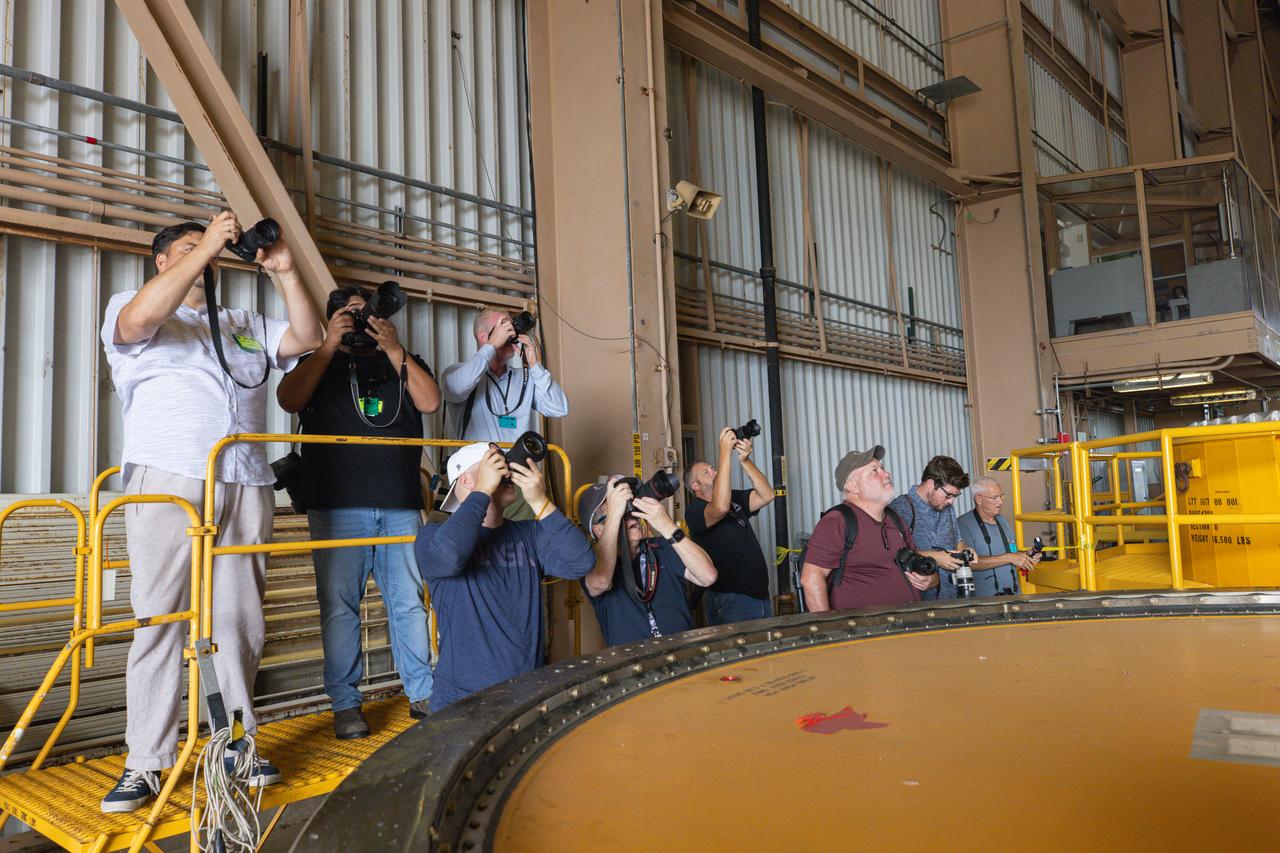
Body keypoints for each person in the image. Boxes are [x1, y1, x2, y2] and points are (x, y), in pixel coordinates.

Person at [98, 213, 323, 813]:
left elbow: (308, 338)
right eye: (190, 249)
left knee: (239, 620)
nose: (208, 256)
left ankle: (236, 744)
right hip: (168, 480)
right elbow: (139, 320)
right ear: (163, 262)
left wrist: (285, 273)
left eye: (213, 248)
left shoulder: (242, 323)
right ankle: (147, 760)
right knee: (160, 619)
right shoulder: (133, 304)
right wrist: (208, 247)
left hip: (245, 481)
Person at [276, 286, 442, 738]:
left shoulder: (400, 359)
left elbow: (429, 402)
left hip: (399, 502)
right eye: (348, 314)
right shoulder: (319, 362)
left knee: (408, 603)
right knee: (340, 609)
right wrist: (328, 344)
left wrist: (393, 348)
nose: (359, 320)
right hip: (335, 505)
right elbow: (289, 399)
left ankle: (422, 692)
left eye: (363, 313)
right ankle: (347, 704)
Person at [414, 443, 594, 712]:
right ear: (466, 479)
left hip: (526, 693)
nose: (505, 472)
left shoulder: (528, 535)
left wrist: (539, 501)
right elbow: (449, 557)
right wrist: (483, 491)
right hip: (462, 701)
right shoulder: (433, 537)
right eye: (493, 465)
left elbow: (582, 562)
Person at [439, 307, 568, 521]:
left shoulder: (523, 377)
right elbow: (456, 388)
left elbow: (559, 408)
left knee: (524, 547)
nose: (510, 330)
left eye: (511, 324)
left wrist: (535, 366)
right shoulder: (458, 373)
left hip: (519, 480)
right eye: (502, 325)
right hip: (480, 480)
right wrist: (491, 347)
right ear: (483, 336)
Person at [577, 476, 717, 646]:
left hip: (683, 658)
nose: (630, 516)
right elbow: (600, 582)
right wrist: (616, 514)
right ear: (598, 530)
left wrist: (667, 526)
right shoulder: (591, 563)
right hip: (633, 667)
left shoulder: (661, 547)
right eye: (621, 512)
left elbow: (708, 576)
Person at [800, 446, 938, 612]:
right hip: (864, 633)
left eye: (883, 469)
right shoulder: (837, 521)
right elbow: (811, 578)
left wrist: (932, 579)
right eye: (874, 471)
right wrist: (829, 629)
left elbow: (921, 566)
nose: (886, 474)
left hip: (906, 628)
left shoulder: (896, 520)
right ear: (853, 487)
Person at [684, 427, 775, 624]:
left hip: (759, 597)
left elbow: (767, 494)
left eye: (712, 468)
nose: (714, 471)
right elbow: (720, 508)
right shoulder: (695, 511)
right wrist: (725, 453)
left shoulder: (734, 498)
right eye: (706, 472)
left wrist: (745, 461)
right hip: (730, 601)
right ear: (696, 487)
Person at [888, 456, 971, 600]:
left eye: (955, 496)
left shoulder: (947, 508)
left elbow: (958, 542)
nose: (951, 501)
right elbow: (891, 556)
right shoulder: (899, 509)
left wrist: (965, 550)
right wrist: (934, 557)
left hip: (952, 600)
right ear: (931, 484)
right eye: (948, 495)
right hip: (918, 605)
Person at [956, 476, 1041, 596]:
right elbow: (969, 562)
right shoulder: (963, 524)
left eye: (1001, 496)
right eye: (995, 497)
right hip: (984, 603)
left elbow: (1012, 552)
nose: (1000, 502)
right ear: (979, 499)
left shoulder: (1002, 521)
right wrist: (1010, 558)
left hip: (1013, 597)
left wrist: (1026, 557)